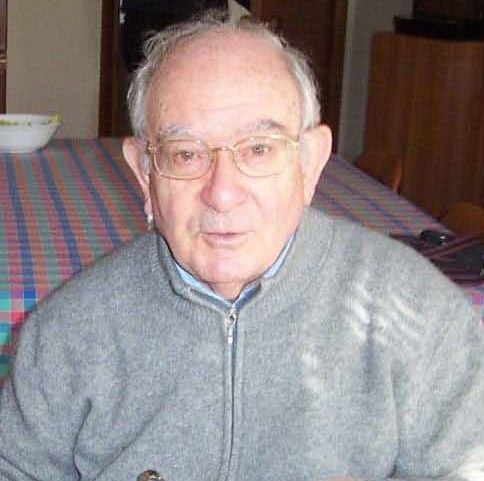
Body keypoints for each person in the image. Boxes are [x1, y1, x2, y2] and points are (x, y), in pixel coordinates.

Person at [0, 10, 483, 481]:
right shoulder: (68, 330)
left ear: (310, 162)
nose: (222, 193)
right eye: (186, 155)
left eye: (258, 149)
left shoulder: (419, 311)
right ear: (145, 173)